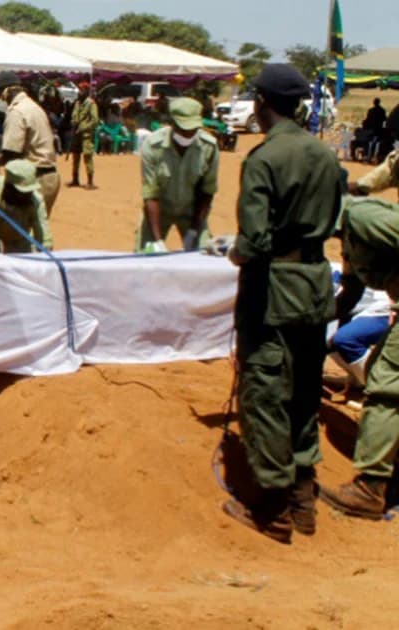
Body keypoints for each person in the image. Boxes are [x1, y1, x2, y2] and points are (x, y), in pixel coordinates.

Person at [222, 64, 343, 544]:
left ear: (261, 103)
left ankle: (272, 509)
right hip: (313, 287)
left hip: (271, 291)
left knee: (266, 393)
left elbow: (253, 240)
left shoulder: (265, 158)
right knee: (303, 393)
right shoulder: (326, 157)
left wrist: (235, 252)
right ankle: (302, 498)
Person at [319, 196, 399, 520]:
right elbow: (348, 296)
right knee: (382, 364)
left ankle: (369, 489)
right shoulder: (348, 237)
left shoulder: (362, 217)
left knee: (387, 384)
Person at [136, 97, 219, 253]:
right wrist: (158, 241)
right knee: (143, 258)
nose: (188, 134)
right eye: (183, 129)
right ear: (172, 124)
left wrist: (194, 230)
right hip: (159, 211)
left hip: (192, 211)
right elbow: (151, 194)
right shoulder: (153, 146)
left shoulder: (209, 147)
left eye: (192, 130)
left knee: (203, 257)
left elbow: (207, 192)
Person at [0, 72, 61, 214]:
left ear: (5, 92)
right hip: (50, 177)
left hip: (33, 181)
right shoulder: (33, 106)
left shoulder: (17, 112)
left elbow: (11, 154)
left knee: (18, 229)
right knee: (39, 230)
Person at [69, 81, 99, 190]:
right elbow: (74, 116)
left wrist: (83, 127)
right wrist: (73, 121)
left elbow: (95, 120)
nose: (79, 92)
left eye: (82, 90)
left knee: (87, 158)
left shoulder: (91, 104)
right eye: (79, 90)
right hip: (76, 134)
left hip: (86, 135)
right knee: (75, 157)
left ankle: (90, 181)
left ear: (86, 92)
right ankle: (75, 179)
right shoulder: (77, 103)